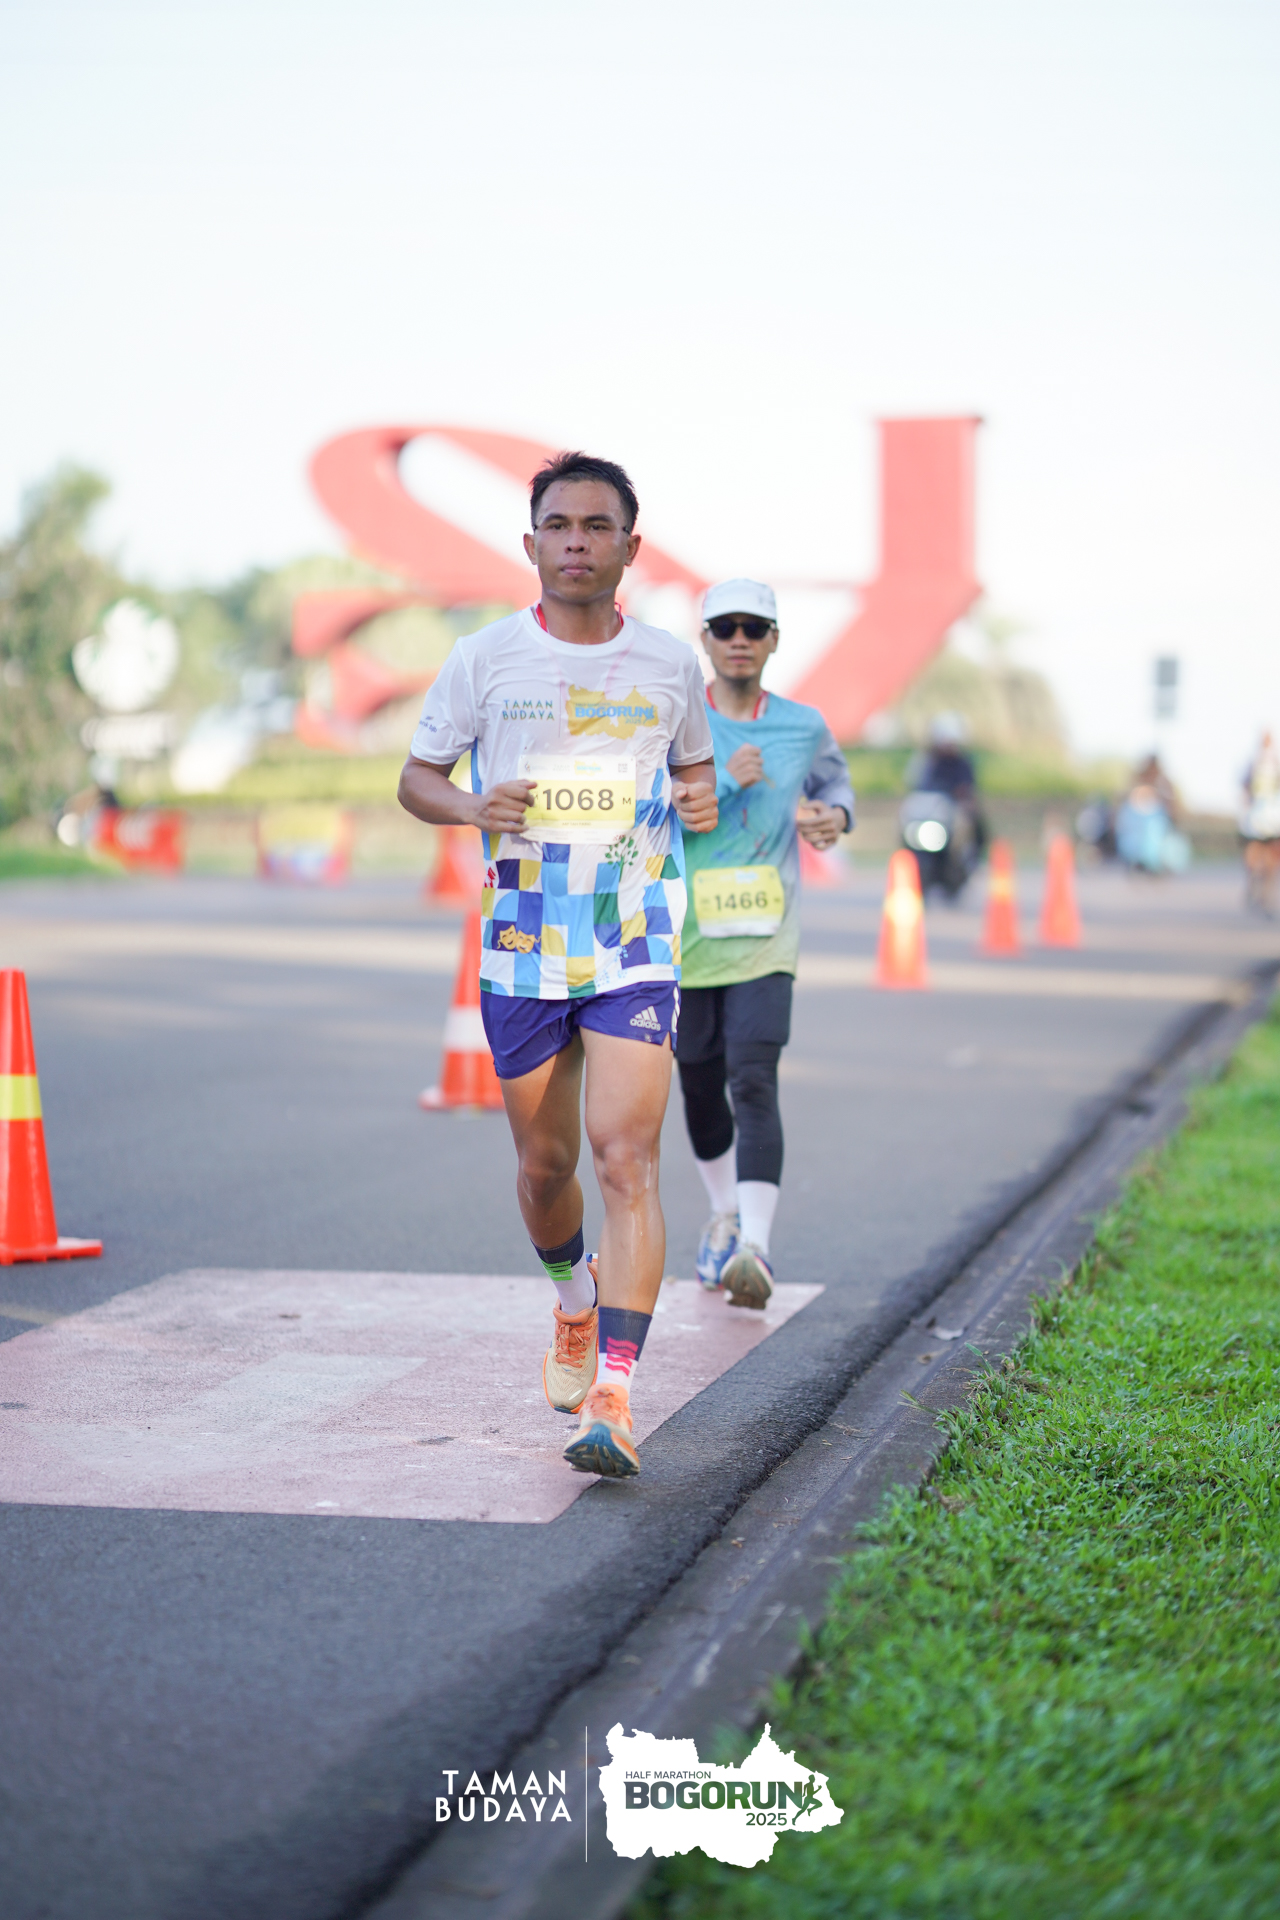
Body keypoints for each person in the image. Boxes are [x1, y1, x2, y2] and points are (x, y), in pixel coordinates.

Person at [398, 452, 717, 1480]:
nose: (577, 542)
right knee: (546, 1170)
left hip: (633, 940)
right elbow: (416, 777)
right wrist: (467, 805)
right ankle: (574, 1301)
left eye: (597, 526)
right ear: (531, 542)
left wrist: (701, 798)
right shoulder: (484, 658)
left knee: (627, 1161)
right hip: (523, 946)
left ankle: (615, 1397)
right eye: (560, 526)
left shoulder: (669, 666)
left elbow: (694, 771)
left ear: (630, 545)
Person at [675, 579, 854, 1308]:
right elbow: (650, 809)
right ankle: (724, 1213)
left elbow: (835, 785)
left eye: (755, 627)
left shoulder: (803, 726)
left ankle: (756, 1247)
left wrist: (834, 817)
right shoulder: (678, 722)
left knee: (752, 1078)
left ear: (775, 639)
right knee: (698, 1083)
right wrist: (723, 777)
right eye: (726, 627)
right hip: (685, 939)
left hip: (766, 939)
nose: (740, 640)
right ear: (706, 640)